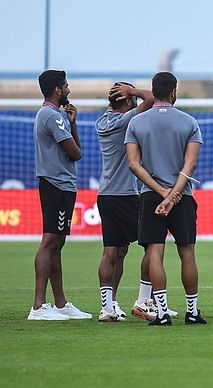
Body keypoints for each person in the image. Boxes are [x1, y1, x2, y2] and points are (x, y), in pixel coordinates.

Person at [125, 71, 206, 326]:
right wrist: (173, 194)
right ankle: (192, 312)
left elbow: (133, 165)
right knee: (187, 253)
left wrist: (161, 193)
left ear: (153, 90)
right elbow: (190, 163)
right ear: (174, 91)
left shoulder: (137, 122)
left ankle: (160, 313)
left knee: (154, 253)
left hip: (151, 196)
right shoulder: (189, 122)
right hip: (182, 195)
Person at [96, 82, 178, 322]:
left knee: (114, 251)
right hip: (127, 195)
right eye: (131, 98)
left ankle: (108, 307)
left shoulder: (102, 122)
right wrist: (133, 91)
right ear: (127, 101)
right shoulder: (126, 121)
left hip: (106, 194)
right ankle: (144, 301)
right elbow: (154, 98)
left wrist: (127, 93)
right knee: (153, 245)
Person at [28, 70, 92, 320]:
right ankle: (38, 306)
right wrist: (71, 129)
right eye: (66, 86)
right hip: (56, 184)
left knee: (57, 244)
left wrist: (73, 123)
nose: (69, 89)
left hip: (62, 184)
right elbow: (75, 153)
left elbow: (74, 151)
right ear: (57, 89)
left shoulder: (57, 116)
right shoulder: (50, 116)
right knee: (49, 241)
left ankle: (61, 303)